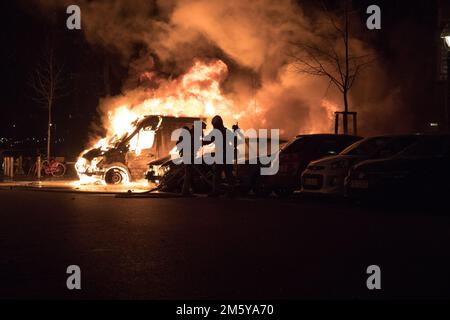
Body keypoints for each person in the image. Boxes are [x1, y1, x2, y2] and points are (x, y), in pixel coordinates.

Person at [203, 115, 235, 196]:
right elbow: (235, 141)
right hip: (227, 155)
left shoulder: (216, 132)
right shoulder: (227, 131)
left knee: (217, 175)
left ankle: (216, 191)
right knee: (228, 175)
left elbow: (207, 141)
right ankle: (231, 192)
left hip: (221, 156)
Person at [179, 122, 207, 196]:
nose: (202, 131)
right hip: (189, 155)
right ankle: (185, 191)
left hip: (190, 155)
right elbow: (200, 143)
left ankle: (187, 190)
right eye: (201, 129)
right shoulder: (192, 135)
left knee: (190, 173)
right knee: (188, 173)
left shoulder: (193, 134)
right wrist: (211, 141)